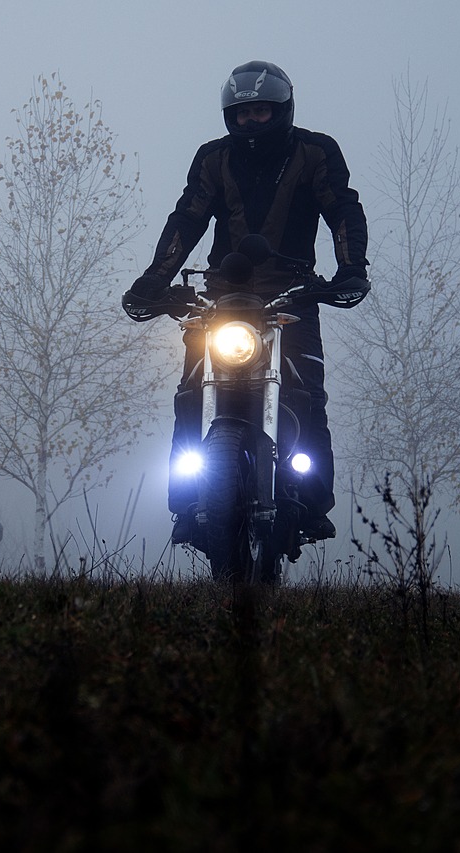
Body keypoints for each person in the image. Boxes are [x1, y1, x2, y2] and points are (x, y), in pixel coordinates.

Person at [122, 60, 370, 543]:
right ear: (228, 117)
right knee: (192, 394)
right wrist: (154, 281)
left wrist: (350, 270)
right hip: (222, 299)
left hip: (292, 296)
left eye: (261, 112)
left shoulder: (315, 153)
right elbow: (188, 217)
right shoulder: (213, 159)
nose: (251, 122)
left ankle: (313, 500)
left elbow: (342, 206)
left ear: (282, 109)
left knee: (307, 395)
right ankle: (187, 503)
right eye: (242, 114)